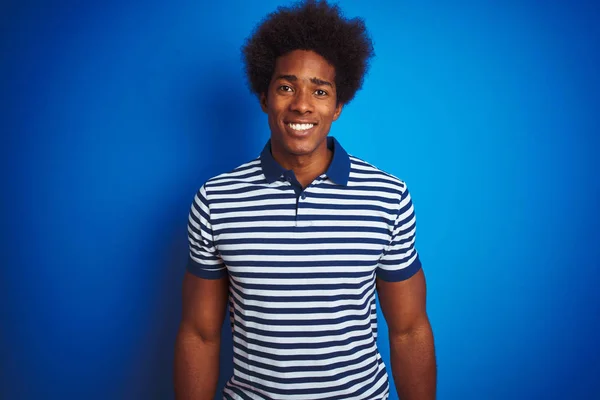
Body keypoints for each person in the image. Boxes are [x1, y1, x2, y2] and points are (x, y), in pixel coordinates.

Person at [174, 1, 436, 399]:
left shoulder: (388, 196)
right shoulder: (216, 200)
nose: (301, 104)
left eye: (320, 90)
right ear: (264, 97)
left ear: (337, 105)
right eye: (286, 86)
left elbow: (409, 328)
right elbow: (199, 333)